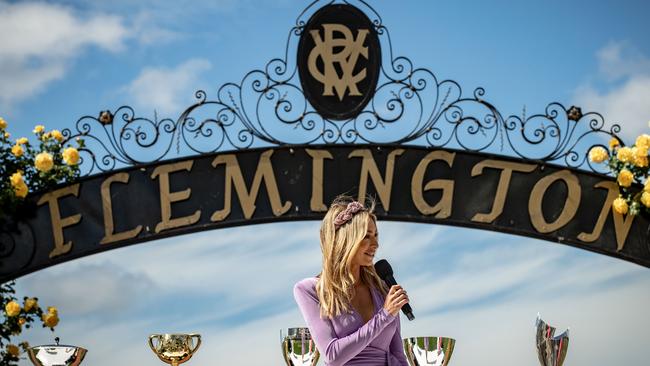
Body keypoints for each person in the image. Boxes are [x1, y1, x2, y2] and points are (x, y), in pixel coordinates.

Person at [293, 196, 410, 365]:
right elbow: (333, 356)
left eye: (376, 235)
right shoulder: (309, 290)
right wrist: (384, 315)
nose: (376, 244)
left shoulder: (383, 289)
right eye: (366, 236)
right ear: (346, 240)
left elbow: (398, 354)